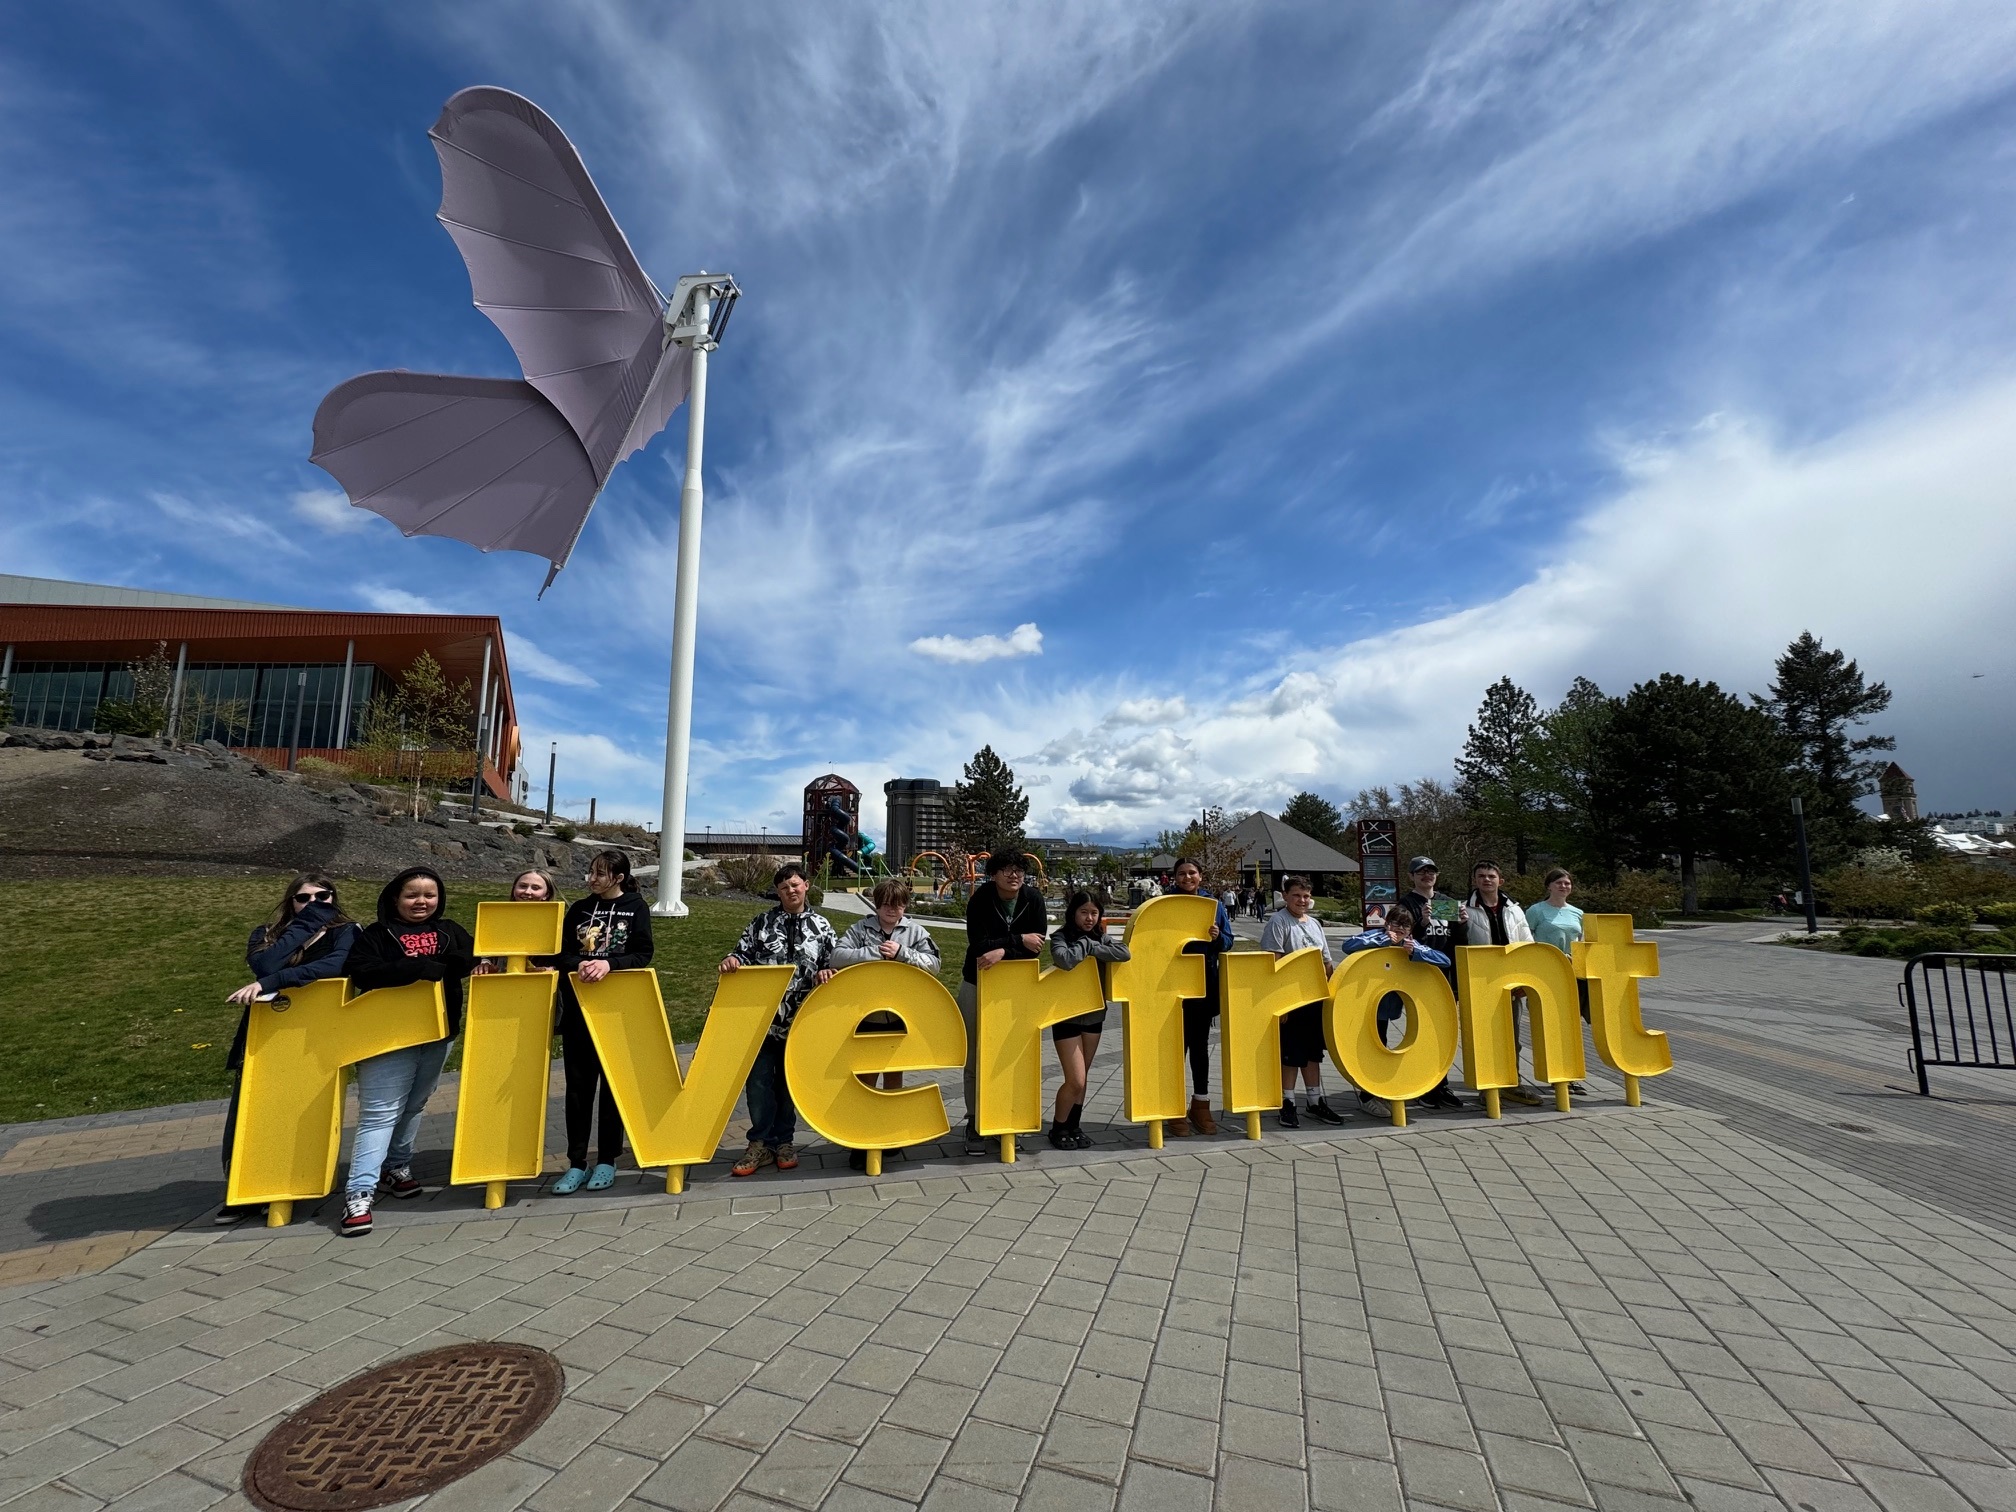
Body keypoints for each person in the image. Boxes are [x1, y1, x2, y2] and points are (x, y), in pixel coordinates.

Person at [337, 866, 475, 1236]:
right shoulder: (377, 934)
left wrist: (452, 965)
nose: (421, 902)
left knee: (415, 1104)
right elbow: (362, 971)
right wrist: (414, 968)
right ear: (395, 898)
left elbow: (473, 957)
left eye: (429, 895)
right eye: (412, 895)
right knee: (379, 1114)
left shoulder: (451, 931)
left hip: (439, 1034)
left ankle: (396, 1166)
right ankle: (358, 1192)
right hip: (388, 1039)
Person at [217, 872, 357, 1224]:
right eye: (304, 899)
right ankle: (240, 1189)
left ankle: (281, 1182)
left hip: (316, 1035)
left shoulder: (347, 931)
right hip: (266, 1034)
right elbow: (264, 963)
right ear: (290, 901)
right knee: (250, 1112)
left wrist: (272, 982)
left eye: (323, 897)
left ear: (334, 899)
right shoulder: (266, 935)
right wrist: (307, 923)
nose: (314, 904)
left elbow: (335, 965)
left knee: (296, 1113)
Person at [721, 862, 837, 1177]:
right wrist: (733, 959)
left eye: (796, 885)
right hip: (763, 1019)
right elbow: (741, 953)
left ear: (807, 886)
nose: (791, 891)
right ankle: (759, 1143)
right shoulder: (761, 922)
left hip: (801, 1021)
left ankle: (784, 1142)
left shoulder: (822, 926)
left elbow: (833, 962)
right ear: (778, 892)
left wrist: (829, 971)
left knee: (788, 1086)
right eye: (784, 887)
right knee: (758, 1083)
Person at [551, 850, 656, 1193]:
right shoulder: (579, 909)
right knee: (579, 1089)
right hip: (580, 1010)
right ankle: (576, 1162)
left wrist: (610, 964)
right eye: (591, 872)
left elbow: (642, 952)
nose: (592, 879)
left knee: (613, 1088)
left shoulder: (636, 907)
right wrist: (576, 965)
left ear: (619, 878)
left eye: (600, 873)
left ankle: (608, 1159)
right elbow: (562, 952)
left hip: (617, 1011)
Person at [830, 877, 941, 1170]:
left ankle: (891, 1135)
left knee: (895, 1077)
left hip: (901, 1017)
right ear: (878, 904)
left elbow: (935, 964)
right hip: (865, 1018)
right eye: (887, 904)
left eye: (899, 904)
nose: (893, 909)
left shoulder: (915, 931)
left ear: (905, 905)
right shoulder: (860, 929)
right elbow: (837, 956)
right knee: (866, 1079)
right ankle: (860, 1138)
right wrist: (872, 954)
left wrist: (903, 953)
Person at [960, 849, 1048, 1154]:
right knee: (975, 1057)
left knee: (1009, 1056)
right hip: (978, 983)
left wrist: (1004, 950)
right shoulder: (980, 900)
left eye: (1019, 870)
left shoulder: (1033, 899)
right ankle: (974, 1121)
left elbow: (1036, 947)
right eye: (1007, 870)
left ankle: (1004, 1120)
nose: (1015, 875)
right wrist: (1016, 941)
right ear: (993, 873)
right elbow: (979, 947)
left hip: (1017, 988)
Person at [1337, 907, 1453, 1118]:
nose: (1399, 929)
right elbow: (1348, 945)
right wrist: (1382, 941)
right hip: (1364, 1006)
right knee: (1368, 1050)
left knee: (1383, 1050)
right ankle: (1367, 1097)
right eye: (1395, 923)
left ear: (1411, 930)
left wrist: (1415, 952)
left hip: (1389, 1008)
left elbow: (1444, 960)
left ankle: (1378, 1092)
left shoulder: (1410, 944)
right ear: (1386, 923)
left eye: (1405, 925)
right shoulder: (1377, 935)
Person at [1259, 875, 1348, 1127]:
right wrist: (1280, 1003)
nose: (1302, 900)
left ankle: (1315, 1101)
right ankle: (1287, 1103)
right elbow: (1273, 963)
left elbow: (1326, 962)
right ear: (1285, 896)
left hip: (1314, 999)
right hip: (1291, 1000)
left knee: (1312, 1053)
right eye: (1296, 895)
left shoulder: (1315, 924)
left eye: (1306, 896)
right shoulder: (1278, 922)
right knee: (1291, 1054)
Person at [1047, 891, 1131, 1149]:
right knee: (1076, 1079)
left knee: (1084, 1076)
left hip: (1094, 1015)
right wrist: (1088, 945)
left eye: (1094, 913)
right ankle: (1058, 1127)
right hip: (1066, 1015)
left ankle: (1074, 1126)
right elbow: (1065, 960)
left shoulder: (1101, 938)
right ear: (1073, 913)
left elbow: (1125, 953)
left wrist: (1093, 945)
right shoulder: (1060, 937)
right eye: (1084, 912)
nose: (1089, 918)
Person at [1461, 861, 1543, 1105]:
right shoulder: (1463, 909)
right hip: (1481, 982)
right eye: (1481, 876)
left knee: (1512, 1036)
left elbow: (1526, 944)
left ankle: (1511, 1082)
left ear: (1500, 881)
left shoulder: (1515, 910)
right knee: (1484, 1036)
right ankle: (1487, 1088)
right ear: (1475, 880)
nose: (1487, 880)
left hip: (1512, 983)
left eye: (1491, 876)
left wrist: (1525, 979)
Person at [1389, 857, 1467, 1110]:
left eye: (1431, 871)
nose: (1426, 875)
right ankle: (1423, 1084)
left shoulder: (1445, 902)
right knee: (1421, 1031)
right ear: (1411, 876)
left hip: (1443, 976)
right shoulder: (1407, 903)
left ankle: (1440, 1084)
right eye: (1420, 872)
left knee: (1441, 1032)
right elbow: (1402, 939)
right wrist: (1421, 923)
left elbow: (1457, 941)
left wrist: (1463, 924)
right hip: (1417, 976)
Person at [1167, 857, 1231, 1135]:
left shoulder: (1214, 905)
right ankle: (1173, 1108)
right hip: (1171, 985)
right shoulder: (1164, 904)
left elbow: (1228, 941)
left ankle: (1201, 1104)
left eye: (1192, 872)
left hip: (1204, 983)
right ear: (1174, 878)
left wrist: (1217, 937)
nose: (1187, 877)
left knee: (1200, 1046)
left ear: (1201, 876)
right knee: (1174, 1048)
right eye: (1181, 873)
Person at [1525, 867, 1589, 1094]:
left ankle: (1568, 1076)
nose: (1563, 886)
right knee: (1548, 1026)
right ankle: (1554, 1073)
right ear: (1549, 886)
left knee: (1569, 1027)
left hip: (1571, 976)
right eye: (1559, 883)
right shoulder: (1536, 910)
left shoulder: (1578, 913)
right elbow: (1525, 939)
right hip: (1545, 974)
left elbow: (1582, 942)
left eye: (1567, 883)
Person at [473, 869, 562, 974]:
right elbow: (486, 954)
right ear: (514, 889)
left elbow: (565, 957)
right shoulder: (497, 919)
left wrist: (552, 968)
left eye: (535, 888)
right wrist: (485, 964)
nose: (528, 892)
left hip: (542, 984)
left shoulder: (557, 924)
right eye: (523, 886)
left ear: (546, 894)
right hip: (503, 983)